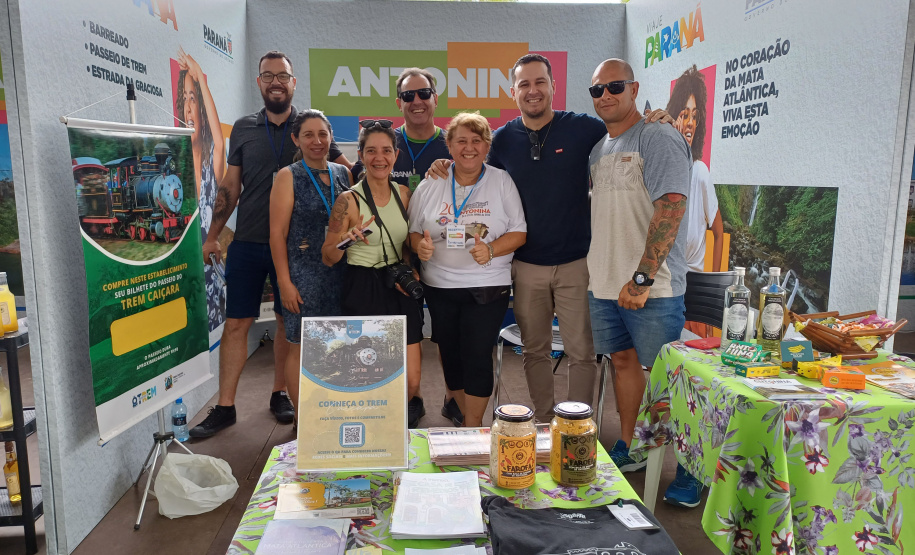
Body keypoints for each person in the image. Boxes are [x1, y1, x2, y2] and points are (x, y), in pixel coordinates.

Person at [428, 54, 671, 424]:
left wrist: (658, 116)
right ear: (513, 92)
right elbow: (471, 162)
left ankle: (576, 427)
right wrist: (443, 164)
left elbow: (624, 124)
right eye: (524, 84)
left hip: (577, 263)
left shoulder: (584, 129)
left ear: (554, 87)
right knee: (534, 351)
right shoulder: (504, 139)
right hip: (526, 265)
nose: (533, 90)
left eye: (540, 82)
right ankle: (544, 424)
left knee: (581, 353)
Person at [192, 51, 351, 439]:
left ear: (294, 83)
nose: (276, 81)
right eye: (268, 75)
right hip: (248, 240)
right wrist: (212, 235)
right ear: (259, 83)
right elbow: (231, 185)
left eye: (283, 75)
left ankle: (281, 393)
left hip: (298, 251)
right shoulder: (245, 128)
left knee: (286, 322)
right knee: (237, 324)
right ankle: (225, 406)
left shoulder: (310, 127)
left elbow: (351, 173)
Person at [586, 58, 701, 508]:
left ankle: (689, 469)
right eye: (597, 90)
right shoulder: (599, 150)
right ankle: (634, 447)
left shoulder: (659, 136)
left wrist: (642, 278)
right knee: (622, 363)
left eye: (615, 86)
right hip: (605, 283)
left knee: (670, 379)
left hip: (652, 287)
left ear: (634, 88)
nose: (606, 95)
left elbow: (671, 206)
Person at [407, 112, 526, 427]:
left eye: (477, 141)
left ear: (487, 146)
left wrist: (490, 249)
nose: (469, 148)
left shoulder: (502, 181)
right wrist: (419, 245)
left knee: (476, 356)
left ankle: (474, 427)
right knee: (451, 354)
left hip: (487, 284)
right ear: (448, 145)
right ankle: (461, 414)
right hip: (439, 285)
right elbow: (414, 230)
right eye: (461, 140)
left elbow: (519, 232)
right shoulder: (432, 181)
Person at [321, 121, 426, 428]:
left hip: (398, 284)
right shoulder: (348, 201)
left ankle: (410, 406)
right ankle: (373, 421)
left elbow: (407, 242)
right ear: (361, 155)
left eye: (386, 151)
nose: (379, 158)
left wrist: (412, 269)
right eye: (371, 151)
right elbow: (328, 257)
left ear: (395, 154)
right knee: (369, 368)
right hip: (363, 285)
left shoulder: (404, 194)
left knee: (413, 378)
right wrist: (347, 239)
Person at [269, 109, 352, 417]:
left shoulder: (343, 174)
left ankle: (331, 410)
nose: (317, 141)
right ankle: (303, 420)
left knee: (338, 344)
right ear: (296, 139)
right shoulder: (288, 176)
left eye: (322, 134)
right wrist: (284, 283)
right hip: (303, 276)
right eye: (308, 135)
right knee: (301, 345)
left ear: (331, 138)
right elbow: (276, 234)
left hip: (340, 274)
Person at [175, 47, 226, 331]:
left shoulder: (211, 169)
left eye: (193, 100)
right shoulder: (174, 173)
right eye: (184, 100)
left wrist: (201, 81)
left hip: (210, 285)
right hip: (183, 283)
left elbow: (220, 143)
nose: (189, 108)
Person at [667, 65, 723, 273]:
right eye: (684, 115)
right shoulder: (661, 168)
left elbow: (718, 233)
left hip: (692, 285)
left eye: (695, 116)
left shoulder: (700, 172)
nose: (689, 123)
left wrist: (715, 285)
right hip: (661, 283)